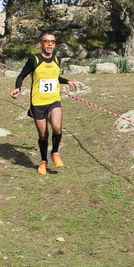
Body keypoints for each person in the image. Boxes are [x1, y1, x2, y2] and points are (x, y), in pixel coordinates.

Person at [11, 32, 78, 175]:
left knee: (57, 128)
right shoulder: (34, 60)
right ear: (40, 43)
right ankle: (43, 161)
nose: (49, 44)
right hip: (38, 103)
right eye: (46, 42)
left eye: (52, 42)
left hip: (54, 100)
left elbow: (54, 77)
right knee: (43, 135)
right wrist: (17, 88)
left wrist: (67, 81)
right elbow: (21, 75)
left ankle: (55, 152)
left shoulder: (56, 59)